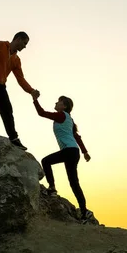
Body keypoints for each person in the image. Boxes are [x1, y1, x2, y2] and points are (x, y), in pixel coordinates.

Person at [33, 93, 93, 222]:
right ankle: (84, 212)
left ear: (64, 106)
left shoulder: (60, 115)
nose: (55, 103)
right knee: (74, 183)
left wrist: (35, 99)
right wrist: (84, 152)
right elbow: (77, 137)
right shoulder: (69, 119)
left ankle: (52, 188)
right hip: (74, 152)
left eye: (58, 102)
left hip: (69, 151)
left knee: (46, 161)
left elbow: (41, 113)